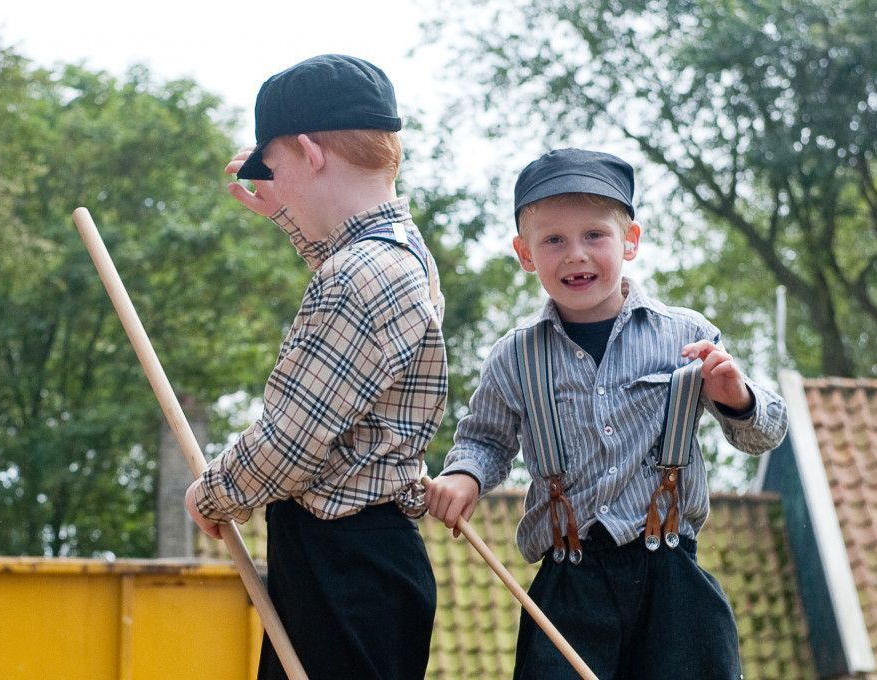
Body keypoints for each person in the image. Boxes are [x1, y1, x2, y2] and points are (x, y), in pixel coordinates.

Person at [427, 148, 789, 679]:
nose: (575, 254)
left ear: (631, 241)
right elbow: (485, 440)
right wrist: (464, 477)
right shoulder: (515, 356)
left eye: (594, 235)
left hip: (671, 581)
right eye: (553, 240)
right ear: (525, 254)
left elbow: (765, 434)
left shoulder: (685, 336)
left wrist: (737, 395)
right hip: (570, 585)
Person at [185, 54, 447, 680]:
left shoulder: (360, 275)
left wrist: (215, 493)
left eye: (273, 166)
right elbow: (351, 336)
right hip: (359, 566)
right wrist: (286, 214)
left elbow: (292, 440)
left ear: (309, 150)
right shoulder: (397, 256)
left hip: (344, 570)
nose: (272, 181)